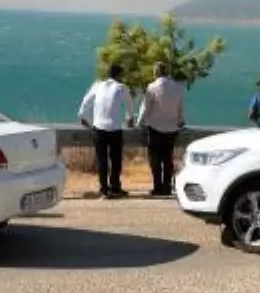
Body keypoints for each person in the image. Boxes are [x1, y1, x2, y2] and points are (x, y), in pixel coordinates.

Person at [78, 64, 134, 199]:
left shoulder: (98, 85)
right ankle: (115, 187)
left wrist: (83, 117)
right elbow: (129, 106)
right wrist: (129, 118)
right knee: (115, 160)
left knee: (102, 160)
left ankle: (103, 189)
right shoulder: (122, 88)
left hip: (99, 128)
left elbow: (86, 101)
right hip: (114, 129)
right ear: (119, 75)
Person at [138, 62, 186, 197]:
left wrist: (140, 122)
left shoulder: (152, 87)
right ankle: (167, 187)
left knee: (155, 159)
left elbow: (146, 108)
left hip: (155, 128)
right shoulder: (177, 87)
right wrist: (181, 121)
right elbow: (180, 108)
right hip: (172, 128)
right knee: (168, 158)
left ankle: (157, 187)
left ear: (157, 72)